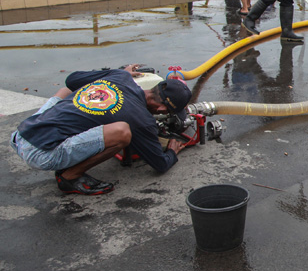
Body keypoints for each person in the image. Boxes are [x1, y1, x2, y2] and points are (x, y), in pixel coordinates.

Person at [9, 67, 192, 196]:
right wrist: (171, 152)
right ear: (161, 111)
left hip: (23, 132)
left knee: (66, 92)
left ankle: (67, 154)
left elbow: (71, 81)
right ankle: (69, 177)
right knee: (122, 132)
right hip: (41, 154)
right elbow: (160, 165)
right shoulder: (142, 121)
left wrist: (115, 73)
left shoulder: (121, 76)